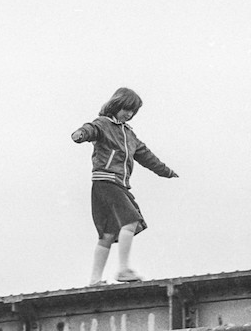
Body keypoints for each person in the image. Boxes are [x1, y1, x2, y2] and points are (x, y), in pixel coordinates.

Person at [71, 87, 178, 286]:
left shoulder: (130, 135)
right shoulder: (103, 123)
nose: (129, 114)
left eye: (132, 112)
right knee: (130, 221)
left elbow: (147, 156)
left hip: (117, 184)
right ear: (116, 105)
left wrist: (167, 172)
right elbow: (90, 129)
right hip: (107, 181)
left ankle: (94, 280)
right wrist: (80, 134)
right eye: (126, 109)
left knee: (108, 234)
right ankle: (123, 269)